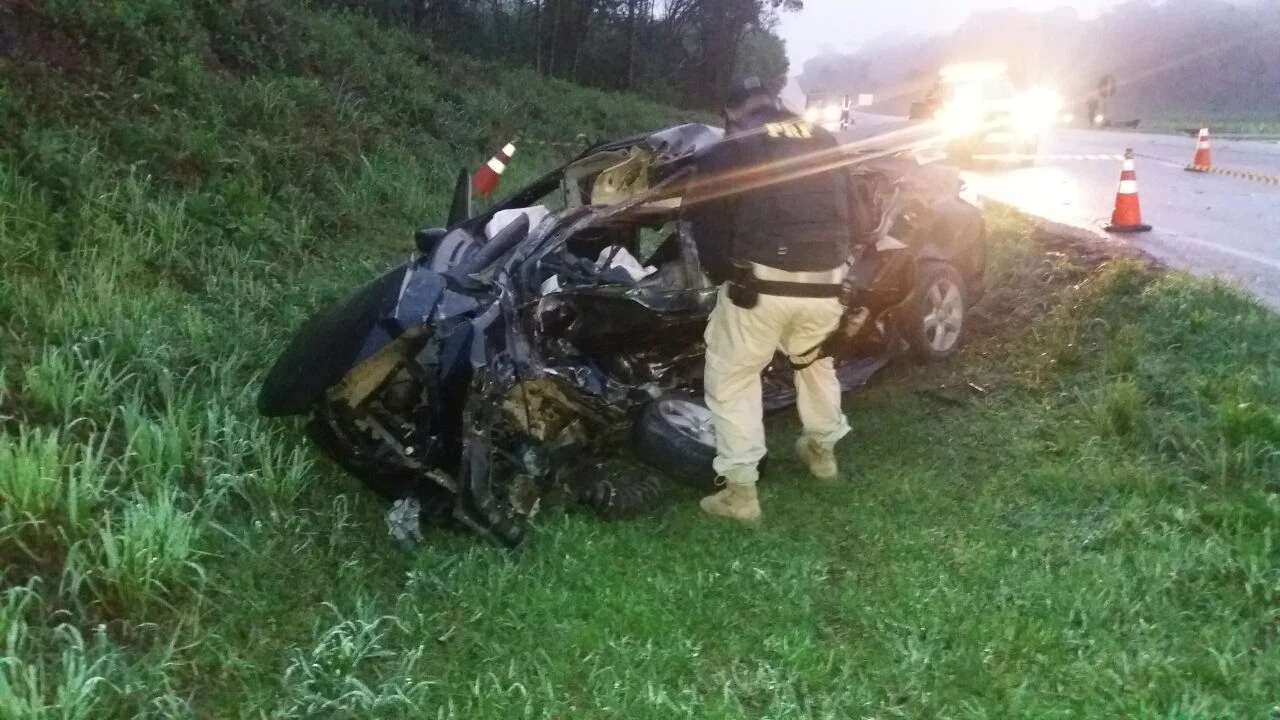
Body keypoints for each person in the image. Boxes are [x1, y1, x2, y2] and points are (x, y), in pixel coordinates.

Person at [682, 76, 860, 525]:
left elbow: (706, 227)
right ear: (775, 103)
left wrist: (726, 277)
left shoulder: (727, 150)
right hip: (827, 285)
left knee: (733, 377)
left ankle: (740, 493)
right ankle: (822, 453)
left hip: (759, 288)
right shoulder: (824, 140)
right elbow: (860, 218)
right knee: (814, 363)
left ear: (729, 114)